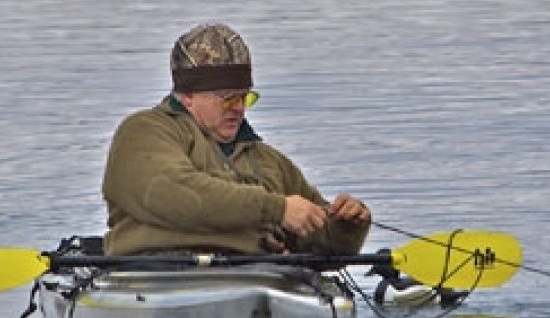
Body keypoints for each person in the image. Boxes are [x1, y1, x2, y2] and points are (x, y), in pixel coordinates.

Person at [101, 22, 372, 256]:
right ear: (187, 95)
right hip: (158, 279)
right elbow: (171, 193)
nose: (239, 108)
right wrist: (276, 209)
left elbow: (325, 245)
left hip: (260, 281)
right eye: (227, 98)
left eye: (244, 97)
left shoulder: (267, 161)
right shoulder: (144, 132)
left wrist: (347, 223)